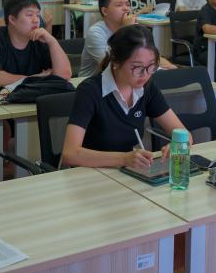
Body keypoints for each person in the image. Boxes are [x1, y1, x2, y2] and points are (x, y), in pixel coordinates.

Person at [62, 25, 188, 169]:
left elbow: (184, 134)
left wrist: (177, 145)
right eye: (137, 67)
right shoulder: (90, 91)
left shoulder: (147, 87)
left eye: (151, 66)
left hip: (124, 172)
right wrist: (123, 159)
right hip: (91, 173)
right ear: (116, 62)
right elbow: (70, 154)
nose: (145, 75)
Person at [0, 0, 71, 87]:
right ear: (12, 19)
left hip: (32, 94)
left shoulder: (40, 39)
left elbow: (64, 75)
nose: (36, 20)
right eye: (29, 15)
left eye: (38, 15)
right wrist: (35, 78)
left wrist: (52, 40)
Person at [80, 0, 177, 77]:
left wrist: (170, 67)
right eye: (119, 5)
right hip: (94, 82)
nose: (126, 8)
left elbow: (152, 55)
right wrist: (126, 31)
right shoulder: (96, 32)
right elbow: (111, 66)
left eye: (127, 4)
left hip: (128, 79)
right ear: (105, 11)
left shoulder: (134, 28)